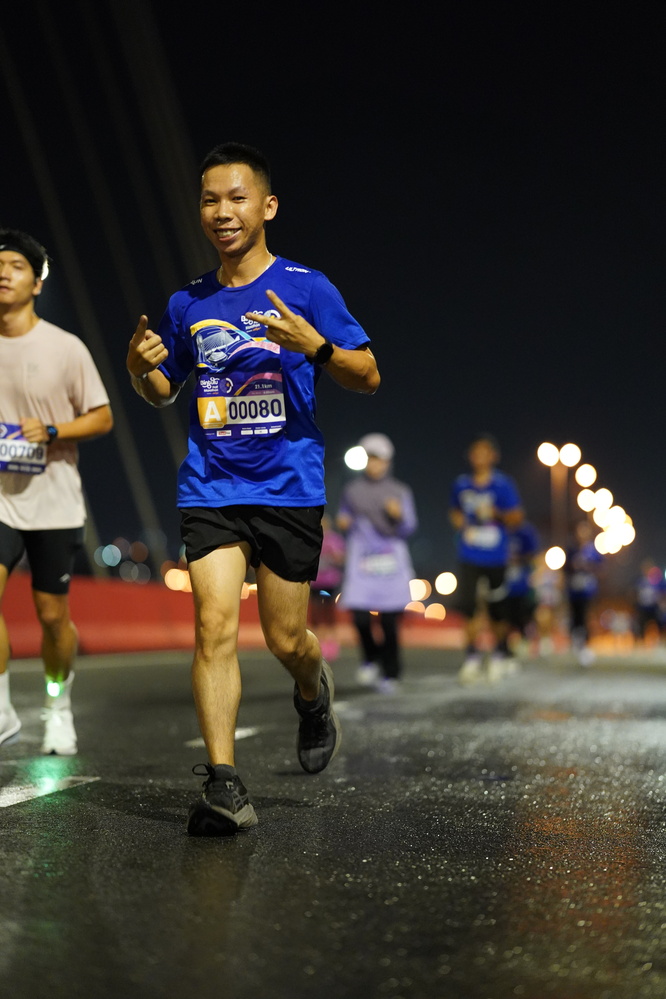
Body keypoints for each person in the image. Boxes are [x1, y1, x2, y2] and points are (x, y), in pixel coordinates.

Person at [126, 142, 380, 837]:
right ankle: (224, 784)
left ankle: (312, 690)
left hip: (288, 486)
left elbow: (368, 374)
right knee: (213, 626)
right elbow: (162, 389)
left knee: (285, 637)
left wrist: (315, 347)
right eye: (210, 199)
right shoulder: (188, 301)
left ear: (266, 207)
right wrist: (139, 368)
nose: (222, 211)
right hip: (211, 485)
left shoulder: (308, 287)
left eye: (236, 198)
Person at [0, 228, 113, 754]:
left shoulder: (65, 347)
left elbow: (103, 417)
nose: (3, 274)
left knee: (51, 617)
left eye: (16, 266)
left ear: (37, 283)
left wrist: (51, 431)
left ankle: (57, 705)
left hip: (54, 500)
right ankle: (2, 710)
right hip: (1, 498)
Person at [337, 433, 417, 694]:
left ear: (387, 462)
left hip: (391, 560)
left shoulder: (400, 490)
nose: (374, 464)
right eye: (370, 458)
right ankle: (371, 657)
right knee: (360, 617)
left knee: (389, 621)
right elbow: (344, 516)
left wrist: (399, 515)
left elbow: (409, 527)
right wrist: (344, 521)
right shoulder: (352, 491)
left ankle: (392, 671)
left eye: (378, 459)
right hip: (363, 560)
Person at [449, 433, 524, 684]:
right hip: (469, 555)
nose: (480, 458)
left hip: (496, 557)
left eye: (485, 453)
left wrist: (496, 513)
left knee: (497, 611)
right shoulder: (461, 485)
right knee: (469, 608)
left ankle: (499, 653)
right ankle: (472, 657)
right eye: (476, 453)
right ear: (470, 456)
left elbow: (517, 517)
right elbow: (454, 512)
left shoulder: (503, 485)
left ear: (494, 456)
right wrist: (460, 522)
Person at [564, 520, 604, 665]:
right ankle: (576, 642)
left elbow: (601, 568)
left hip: (588, 590)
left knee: (586, 616)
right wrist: (573, 567)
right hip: (574, 590)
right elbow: (565, 568)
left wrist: (588, 567)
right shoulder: (571, 550)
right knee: (575, 617)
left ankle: (585, 644)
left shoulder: (593, 550)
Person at [308, 513, 346, 662]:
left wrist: (333, 555)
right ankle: (316, 643)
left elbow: (341, 558)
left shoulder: (335, 540)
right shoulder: (312, 538)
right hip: (315, 583)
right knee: (315, 614)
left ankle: (331, 644)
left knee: (329, 614)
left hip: (329, 583)